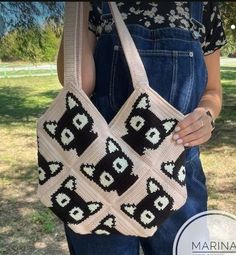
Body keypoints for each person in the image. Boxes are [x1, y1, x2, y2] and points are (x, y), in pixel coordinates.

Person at [57, 1, 227, 255]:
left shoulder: (203, 7)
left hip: (178, 175)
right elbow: (78, 84)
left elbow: (212, 91)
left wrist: (207, 113)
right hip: (100, 175)